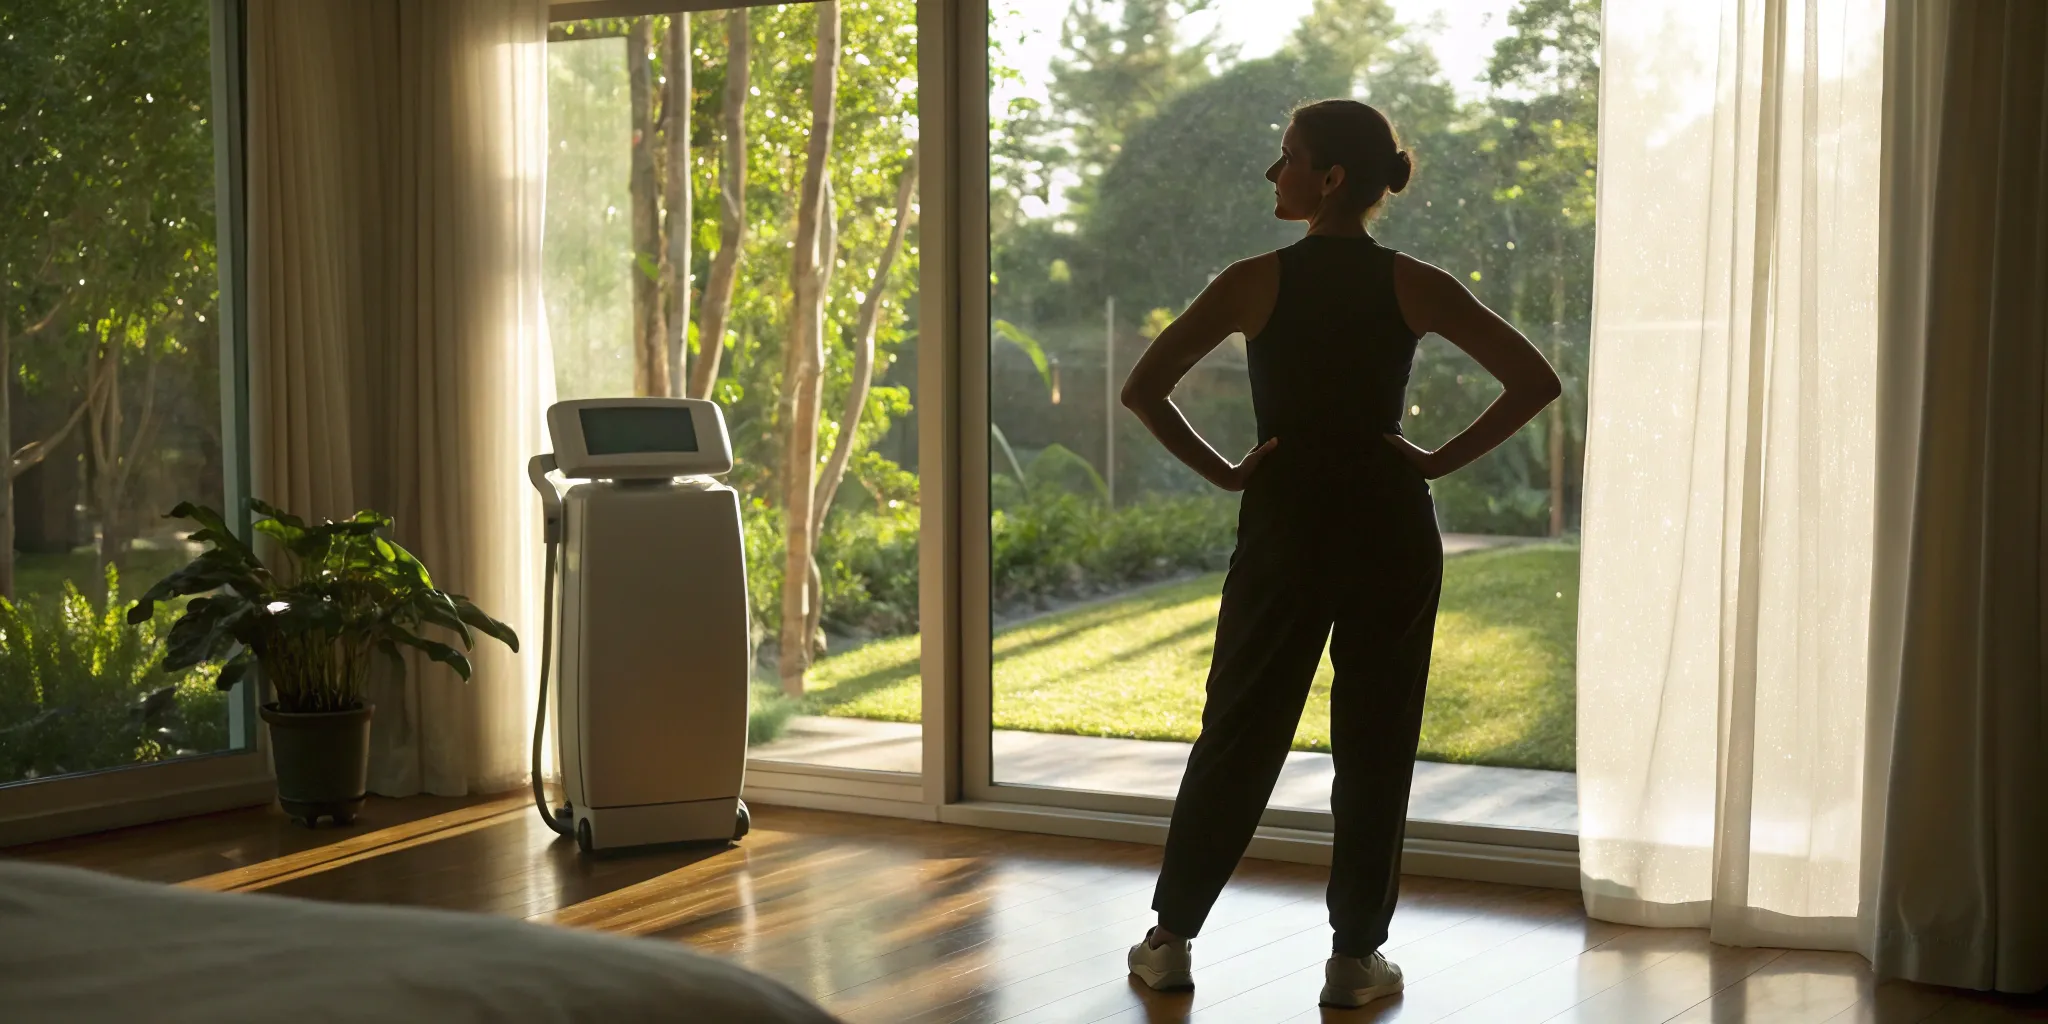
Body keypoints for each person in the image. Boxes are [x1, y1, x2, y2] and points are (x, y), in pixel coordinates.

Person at [1118, 98, 1561, 1009]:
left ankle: (1169, 943)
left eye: (1286, 157)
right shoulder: (1414, 283)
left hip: (1285, 524)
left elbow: (1144, 388)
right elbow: (1535, 380)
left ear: (1328, 178)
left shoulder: (1252, 282)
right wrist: (1434, 459)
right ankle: (1354, 962)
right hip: (1388, 528)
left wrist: (1231, 473)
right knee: (1376, 741)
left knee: (1239, 730)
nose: (1272, 173)